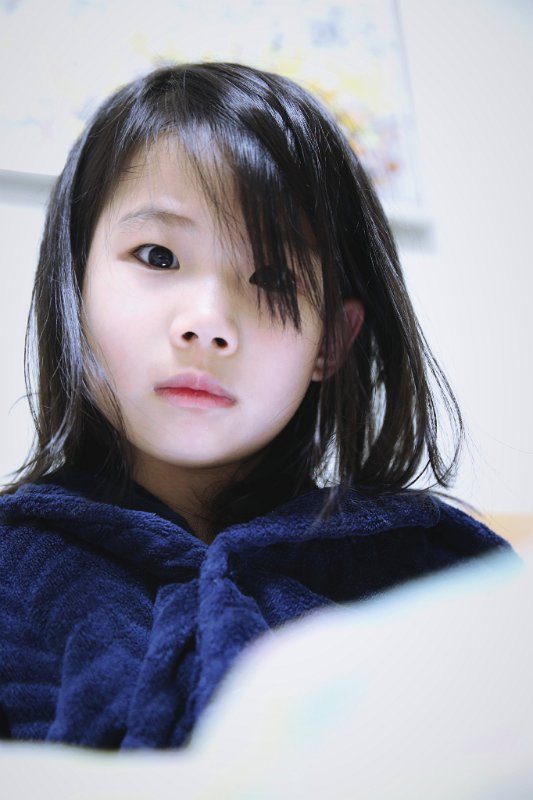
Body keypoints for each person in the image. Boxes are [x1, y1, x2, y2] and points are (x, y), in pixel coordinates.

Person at [0, 62, 516, 749]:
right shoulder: (13, 567)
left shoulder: (433, 573)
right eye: (157, 256)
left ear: (330, 342)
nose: (208, 323)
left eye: (272, 276)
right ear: (74, 283)